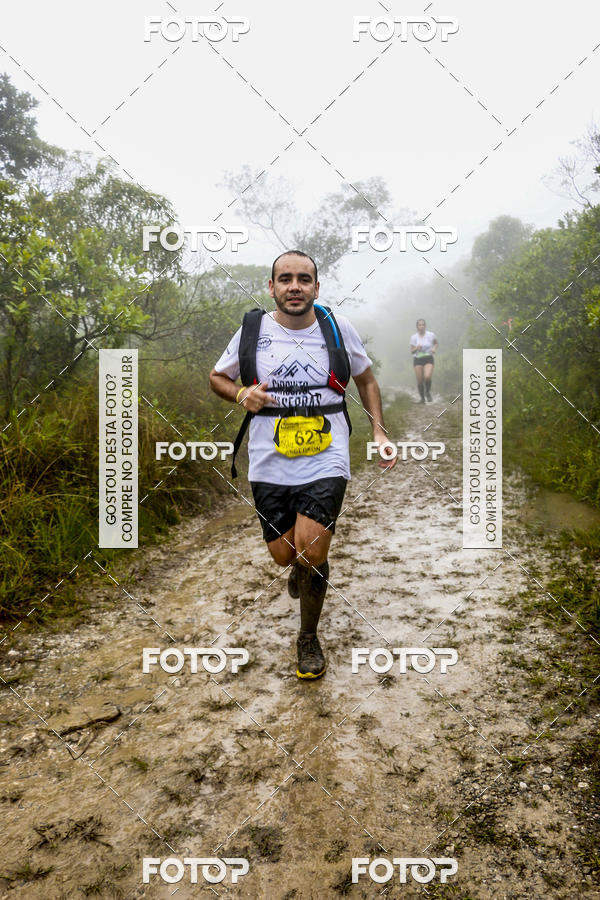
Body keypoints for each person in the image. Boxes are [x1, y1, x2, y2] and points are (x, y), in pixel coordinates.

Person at [209, 250, 395, 680]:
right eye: (286, 279)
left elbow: (366, 379)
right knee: (283, 556)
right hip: (268, 460)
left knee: (312, 551)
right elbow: (217, 376)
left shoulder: (337, 328)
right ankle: (298, 566)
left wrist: (380, 432)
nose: (295, 286)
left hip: (326, 455)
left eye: (304, 279)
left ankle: (307, 637)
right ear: (272, 287)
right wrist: (240, 395)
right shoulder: (252, 331)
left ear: (316, 287)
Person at [410, 318, 438, 403]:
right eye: (419, 325)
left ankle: (428, 392)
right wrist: (416, 348)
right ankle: (422, 399)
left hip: (428, 358)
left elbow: (436, 343)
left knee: (427, 376)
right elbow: (412, 351)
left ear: (425, 326)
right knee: (420, 380)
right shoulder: (414, 337)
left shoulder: (431, 335)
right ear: (417, 327)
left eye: (423, 324)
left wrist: (434, 348)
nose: (421, 326)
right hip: (418, 359)